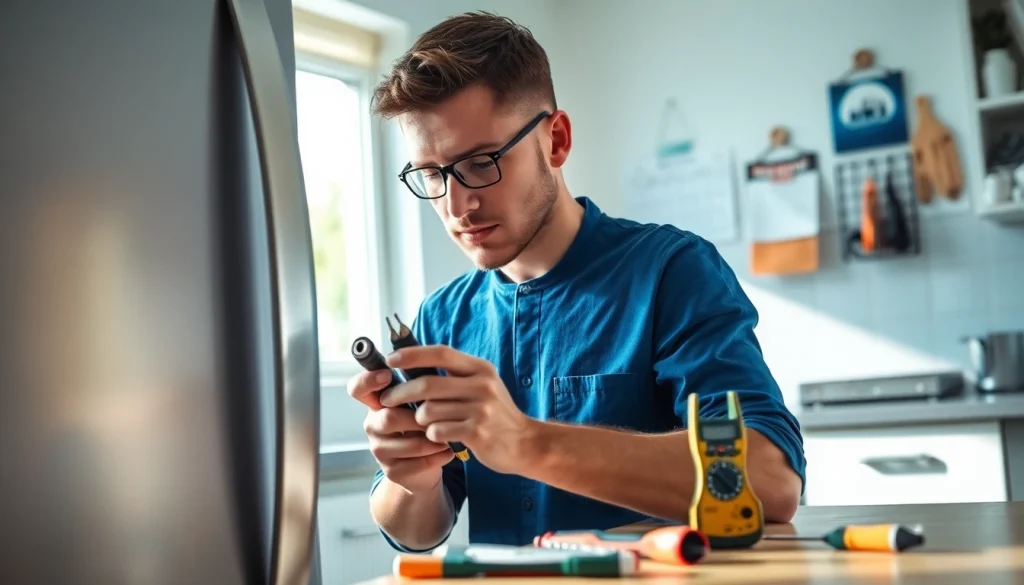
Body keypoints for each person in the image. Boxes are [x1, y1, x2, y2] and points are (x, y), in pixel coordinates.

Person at [346, 10, 805, 552]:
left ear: (556, 140)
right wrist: (410, 478)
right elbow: (417, 531)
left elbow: (771, 483)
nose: (457, 205)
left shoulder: (671, 271)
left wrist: (529, 443)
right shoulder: (440, 319)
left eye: (481, 163)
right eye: (431, 174)